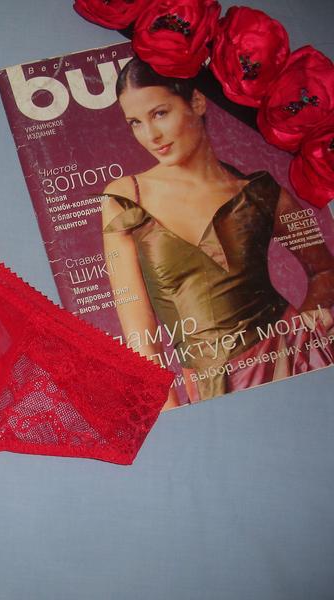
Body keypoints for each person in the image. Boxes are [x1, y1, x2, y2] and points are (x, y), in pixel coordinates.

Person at [101, 57, 334, 407]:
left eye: (160, 113)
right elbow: (141, 339)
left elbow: (325, 270)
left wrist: (303, 327)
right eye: (136, 122)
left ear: (197, 101)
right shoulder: (125, 197)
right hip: (210, 384)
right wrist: (172, 413)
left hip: (293, 360)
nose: (151, 136)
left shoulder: (261, 193)